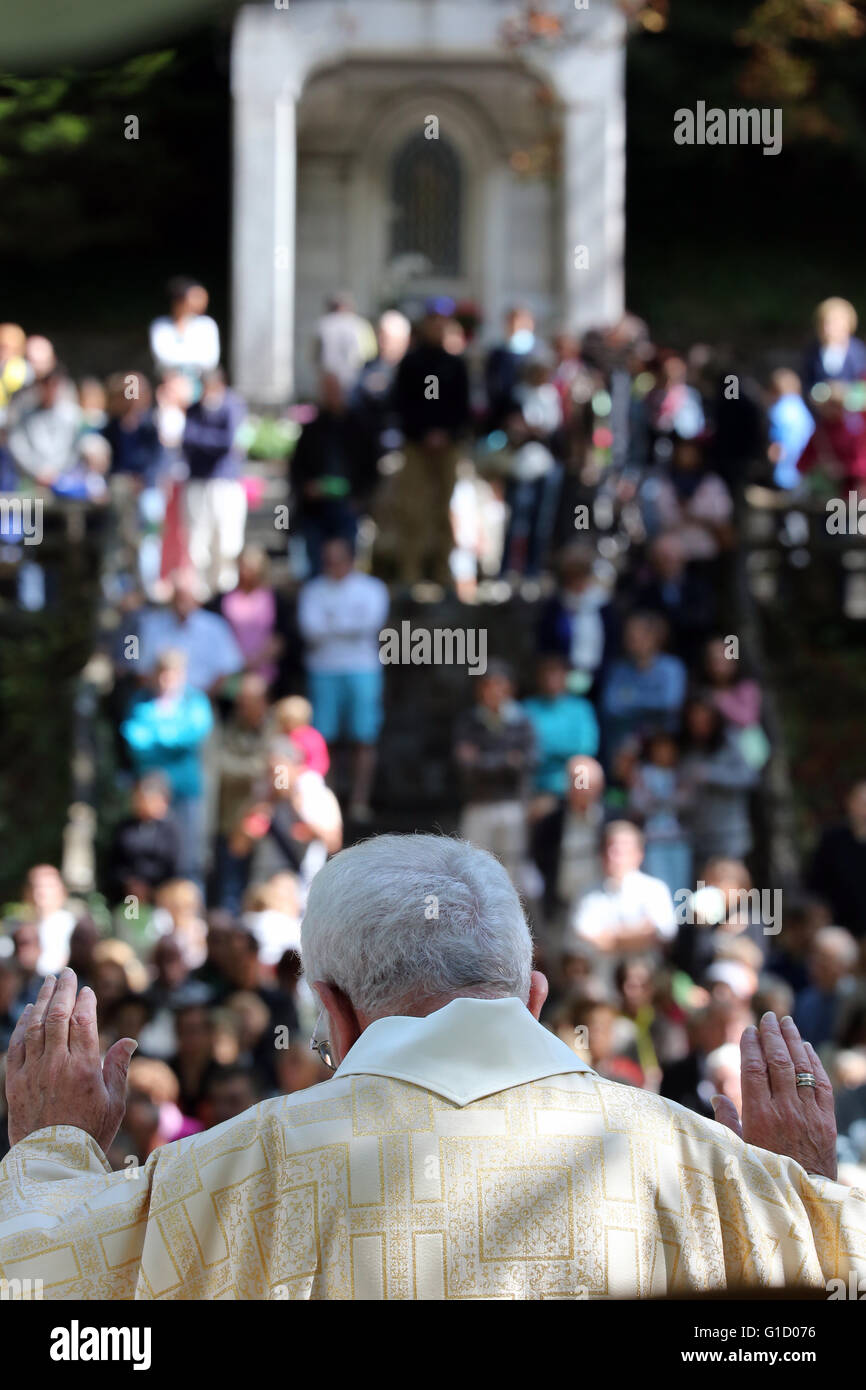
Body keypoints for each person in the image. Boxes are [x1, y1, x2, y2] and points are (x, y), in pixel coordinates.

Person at [4, 834, 865, 1300]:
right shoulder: (703, 1169)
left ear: (331, 1012)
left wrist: (50, 1147)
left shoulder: (214, 1181)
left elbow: (33, 1278)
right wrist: (800, 1192)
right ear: (532, 996)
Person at [296, 537, 389, 820]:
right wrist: (347, 625)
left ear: (350, 560)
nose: (333, 566)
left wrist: (332, 624)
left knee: (364, 737)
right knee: (325, 740)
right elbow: (310, 630)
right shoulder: (312, 591)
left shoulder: (372, 588)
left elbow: (369, 623)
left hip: (363, 669)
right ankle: (330, 800)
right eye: (328, 560)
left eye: (338, 559)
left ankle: (360, 801)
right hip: (324, 670)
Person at [391, 299, 471, 588]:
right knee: (413, 509)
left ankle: (442, 572)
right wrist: (423, 432)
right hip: (416, 447)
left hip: (447, 448)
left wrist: (446, 433)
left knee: (445, 509)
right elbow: (401, 404)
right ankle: (410, 574)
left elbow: (462, 407)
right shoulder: (411, 363)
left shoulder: (455, 365)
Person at [120, 649, 214, 885]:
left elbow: (193, 735)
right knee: (148, 853)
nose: (166, 681)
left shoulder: (195, 701)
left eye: (172, 675)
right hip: (150, 793)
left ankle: (190, 910)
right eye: (162, 674)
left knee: (189, 855)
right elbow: (135, 740)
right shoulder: (141, 700)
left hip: (184, 790)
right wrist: (172, 735)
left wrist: (157, 734)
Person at [454, 662, 537, 892]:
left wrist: (484, 761)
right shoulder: (468, 722)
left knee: (512, 875)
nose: (494, 692)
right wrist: (507, 760)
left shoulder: (522, 721)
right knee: (473, 873)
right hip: (478, 805)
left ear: (511, 689)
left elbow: (529, 761)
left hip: (512, 806)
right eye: (488, 686)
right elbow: (464, 764)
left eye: (500, 686)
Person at [571, 820, 677, 963]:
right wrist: (637, 933)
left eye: (622, 850)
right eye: (610, 848)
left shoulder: (655, 889)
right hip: (601, 977)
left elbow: (662, 933)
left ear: (639, 854)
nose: (614, 856)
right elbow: (583, 938)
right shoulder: (586, 893)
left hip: (645, 978)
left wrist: (610, 938)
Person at [181, 368, 248, 595]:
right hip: (198, 483)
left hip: (225, 483)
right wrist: (210, 440)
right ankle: (200, 592)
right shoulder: (193, 409)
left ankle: (226, 590)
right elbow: (187, 440)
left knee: (227, 541)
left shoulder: (233, 406)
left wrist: (202, 439)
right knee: (198, 541)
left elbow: (228, 442)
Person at [133, 568, 244, 695]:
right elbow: (140, 669)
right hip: (158, 701)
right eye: (179, 597)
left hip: (203, 701)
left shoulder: (215, 626)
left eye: (186, 597)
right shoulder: (151, 625)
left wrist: (202, 700)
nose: (182, 604)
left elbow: (228, 668)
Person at [601, 611, 687, 762]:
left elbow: (669, 703)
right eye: (628, 635)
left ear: (653, 637)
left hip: (664, 742)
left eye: (636, 635)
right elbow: (610, 706)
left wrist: (629, 699)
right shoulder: (619, 670)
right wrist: (652, 705)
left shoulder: (672, 667)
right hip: (626, 745)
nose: (630, 640)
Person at [108, 774, 180, 907]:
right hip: (129, 893)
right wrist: (130, 883)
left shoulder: (170, 830)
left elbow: (173, 865)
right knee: (132, 916)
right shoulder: (125, 828)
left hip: (161, 894)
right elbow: (115, 862)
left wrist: (151, 887)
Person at [807, 780, 866, 939]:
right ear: (850, 803)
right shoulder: (832, 840)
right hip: (839, 926)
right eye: (860, 802)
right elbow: (816, 884)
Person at [7, 366, 81, 486]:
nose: (51, 389)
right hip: (30, 479)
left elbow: (75, 449)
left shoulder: (72, 416)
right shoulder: (25, 415)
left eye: (55, 385)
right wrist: (38, 471)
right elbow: (18, 446)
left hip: (63, 480)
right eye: (47, 385)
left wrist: (55, 473)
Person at [220, 546, 281, 688]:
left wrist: (256, 660)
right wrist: (239, 662)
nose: (246, 572)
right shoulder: (224, 599)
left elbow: (280, 636)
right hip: (233, 671)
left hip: (266, 672)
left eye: (250, 568)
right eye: (243, 567)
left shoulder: (275, 598)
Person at [149, 277, 220, 386]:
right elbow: (164, 358)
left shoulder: (207, 324)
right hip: (168, 382)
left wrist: (177, 353)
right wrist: (196, 353)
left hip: (202, 381)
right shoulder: (160, 325)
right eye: (196, 297)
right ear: (180, 300)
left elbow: (210, 361)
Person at [312, 291, 376, 394]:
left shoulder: (322, 325)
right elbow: (370, 352)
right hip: (355, 377)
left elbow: (315, 355)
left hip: (330, 377)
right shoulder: (361, 324)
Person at [802, 296, 866, 396]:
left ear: (848, 324)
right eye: (824, 323)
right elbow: (806, 386)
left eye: (834, 323)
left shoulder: (859, 352)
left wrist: (843, 393)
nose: (828, 329)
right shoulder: (812, 352)